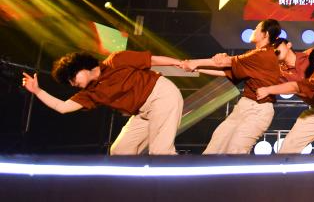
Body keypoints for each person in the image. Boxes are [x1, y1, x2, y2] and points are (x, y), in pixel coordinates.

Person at [22, 50, 185, 155]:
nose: (72, 84)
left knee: (160, 152)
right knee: (120, 151)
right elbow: (62, 107)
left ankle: (178, 189)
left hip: (161, 95)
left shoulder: (116, 60)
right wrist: (37, 91)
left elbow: (152, 60)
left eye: (72, 78)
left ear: (83, 68)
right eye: (69, 82)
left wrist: (180, 63)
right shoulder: (90, 93)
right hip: (143, 112)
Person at [183, 19, 285, 154]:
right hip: (244, 106)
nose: (253, 30)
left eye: (256, 28)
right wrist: (197, 69)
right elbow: (226, 72)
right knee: (216, 145)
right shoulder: (256, 55)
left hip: (258, 111)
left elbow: (224, 63)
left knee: (236, 151)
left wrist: (194, 63)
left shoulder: (262, 54)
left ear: (265, 34)